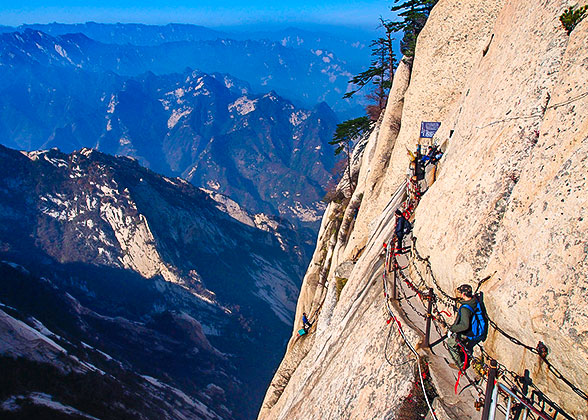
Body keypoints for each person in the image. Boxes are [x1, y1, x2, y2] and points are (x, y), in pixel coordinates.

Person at [447, 284, 488, 369]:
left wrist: (452, 329)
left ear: (463, 294)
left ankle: (459, 365)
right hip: (475, 329)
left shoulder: (465, 309)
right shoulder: (474, 301)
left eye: (461, 292)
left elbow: (465, 325)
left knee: (451, 342)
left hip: (470, 332)